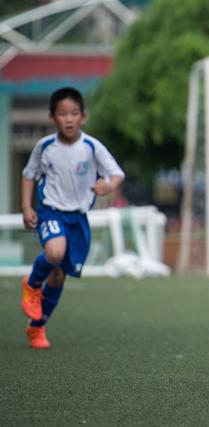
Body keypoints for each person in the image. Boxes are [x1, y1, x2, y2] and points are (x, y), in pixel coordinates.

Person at [21, 87, 125, 349]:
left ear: (83, 117)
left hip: (78, 218)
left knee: (57, 277)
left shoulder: (92, 146)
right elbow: (28, 174)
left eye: (74, 113)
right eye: (62, 114)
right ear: (51, 118)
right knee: (55, 253)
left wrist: (108, 186)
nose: (68, 119)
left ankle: (37, 328)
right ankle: (32, 284)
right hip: (50, 211)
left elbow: (116, 174)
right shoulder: (44, 146)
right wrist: (26, 207)